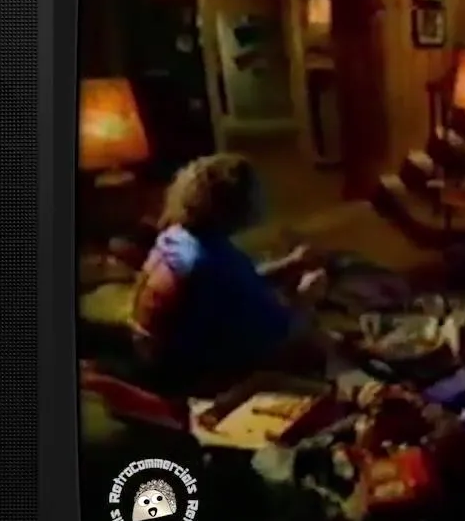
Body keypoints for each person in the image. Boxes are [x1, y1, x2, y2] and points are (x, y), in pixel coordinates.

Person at [129, 153, 328, 395]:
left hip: (156, 359)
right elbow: (282, 331)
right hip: (194, 378)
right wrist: (307, 297)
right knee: (314, 346)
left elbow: (238, 286)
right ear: (235, 204)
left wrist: (291, 263)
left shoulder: (177, 237)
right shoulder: (211, 262)